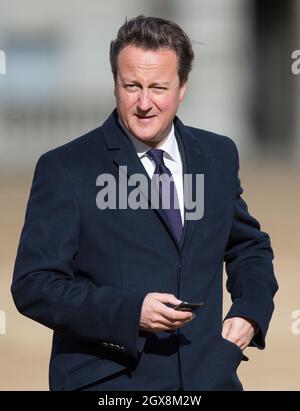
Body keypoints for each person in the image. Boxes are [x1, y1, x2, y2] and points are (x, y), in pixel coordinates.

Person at [12, 15, 278, 391]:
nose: (144, 103)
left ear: (182, 87)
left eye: (159, 87)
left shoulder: (218, 154)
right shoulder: (66, 168)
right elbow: (34, 285)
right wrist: (131, 312)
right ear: (115, 84)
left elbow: (248, 247)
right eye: (131, 85)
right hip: (111, 384)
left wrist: (250, 312)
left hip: (210, 379)